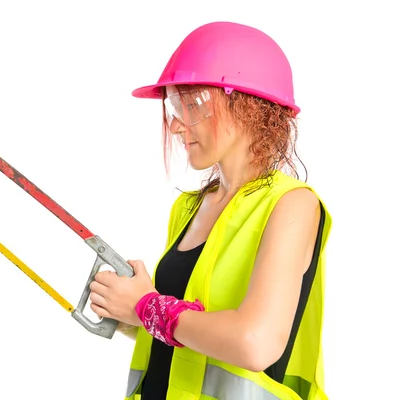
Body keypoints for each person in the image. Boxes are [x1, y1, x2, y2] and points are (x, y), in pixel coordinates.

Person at [88, 21, 332, 400]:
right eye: (172, 106)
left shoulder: (292, 204)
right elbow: (187, 335)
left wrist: (147, 307)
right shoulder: (187, 209)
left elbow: (255, 342)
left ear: (247, 105)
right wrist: (127, 312)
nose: (176, 124)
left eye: (192, 104)